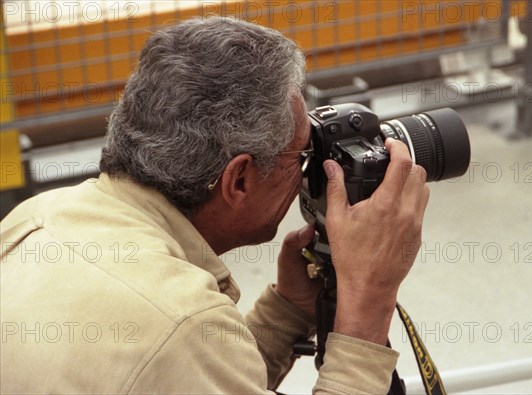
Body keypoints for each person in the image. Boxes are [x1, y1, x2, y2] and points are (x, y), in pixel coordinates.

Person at [0, 17, 429, 394]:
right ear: (238, 179)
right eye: (301, 157)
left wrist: (287, 311)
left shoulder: (36, 218)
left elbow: (178, 376)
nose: (307, 174)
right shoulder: (182, 322)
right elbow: (174, 344)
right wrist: (367, 304)